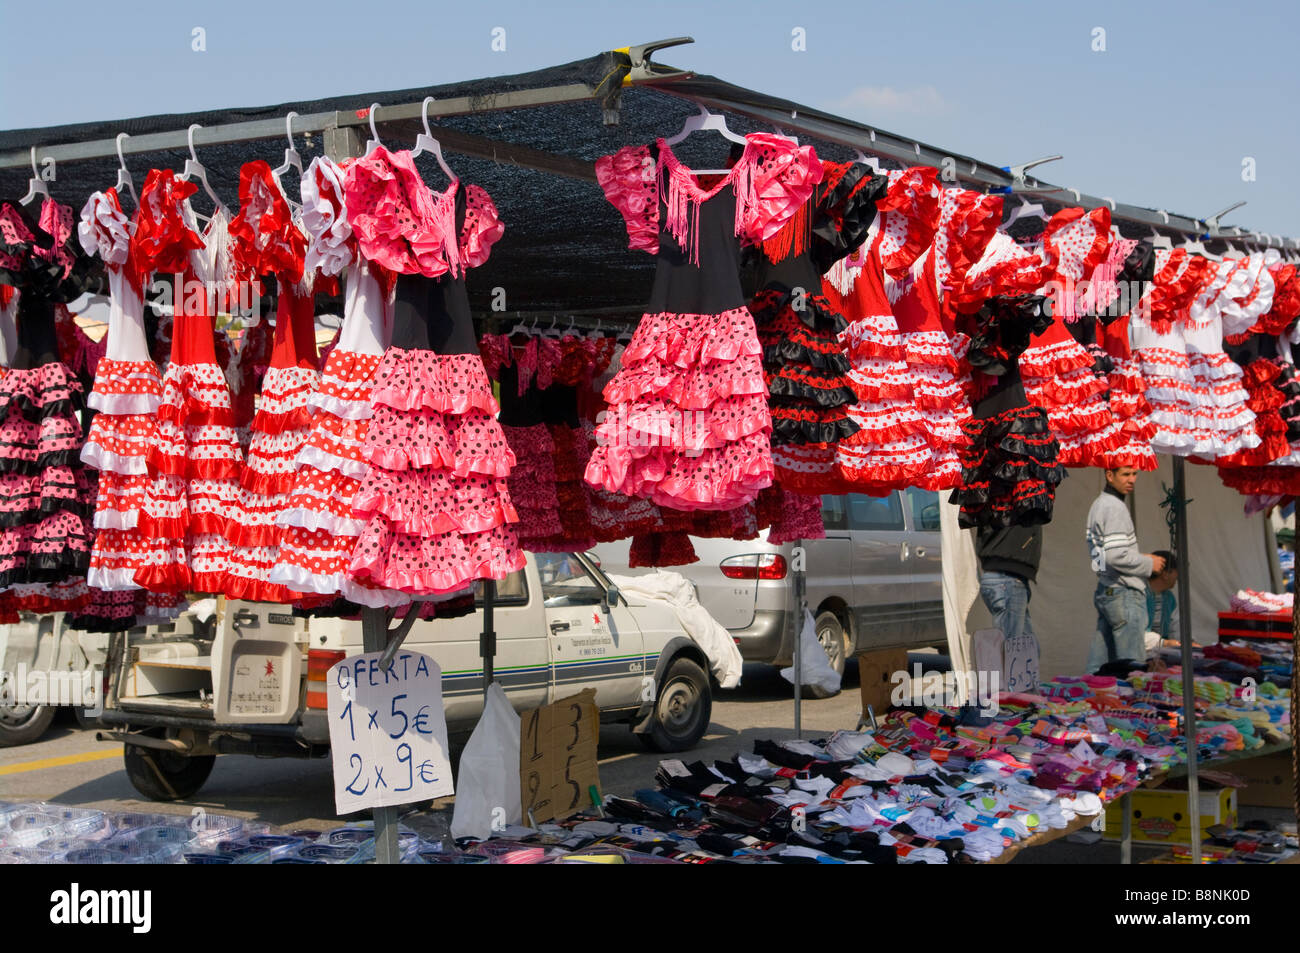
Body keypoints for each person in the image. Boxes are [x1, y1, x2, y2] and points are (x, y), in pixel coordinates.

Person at [1085, 466, 1166, 672]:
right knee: (1133, 671)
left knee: (1100, 670)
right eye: (1126, 474)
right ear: (1109, 475)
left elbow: (1101, 558)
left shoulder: (1098, 504)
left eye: (1135, 474)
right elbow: (1115, 555)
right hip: (1124, 593)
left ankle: (1091, 701)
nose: (1132, 480)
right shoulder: (1114, 507)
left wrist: (1136, 558)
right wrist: (1149, 564)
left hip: (1107, 589)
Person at [976, 524, 1042, 694]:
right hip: (1007, 577)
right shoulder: (1017, 500)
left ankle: (1026, 701)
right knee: (1012, 655)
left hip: (1005, 576)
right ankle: (1005, 703)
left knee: (1027, 651)